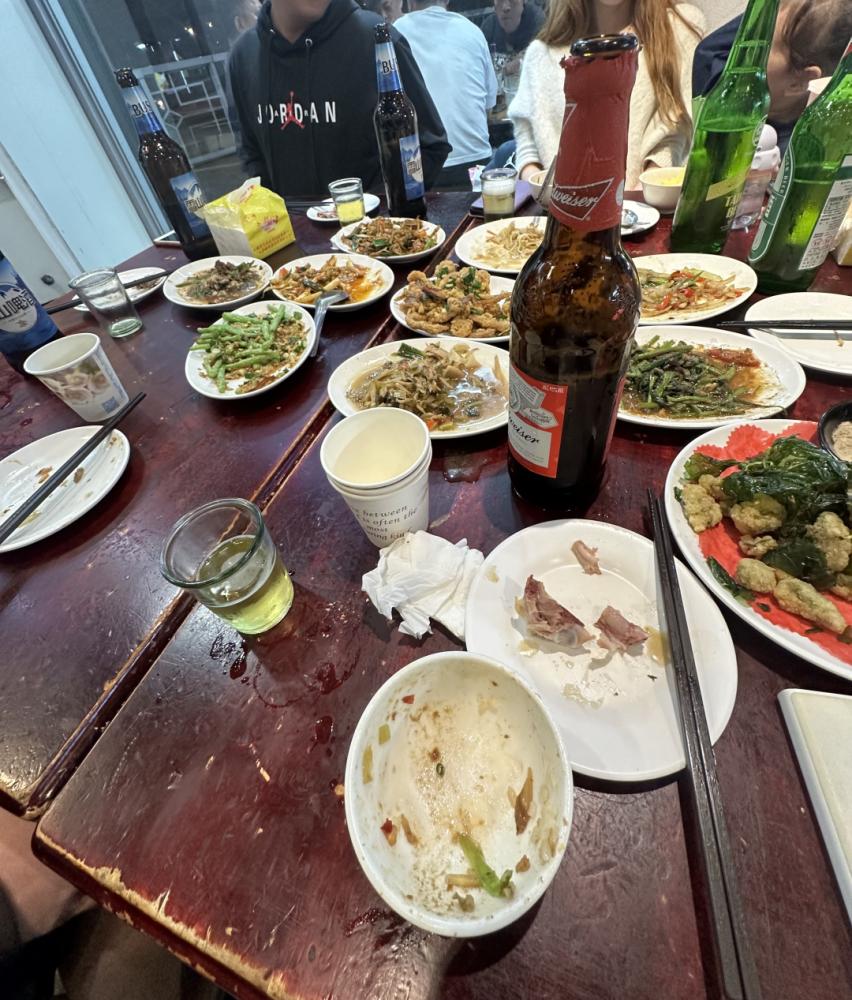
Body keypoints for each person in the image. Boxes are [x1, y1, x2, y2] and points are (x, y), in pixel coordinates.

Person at [228, 0, 450, 198]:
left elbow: (429, 145)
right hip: (287, 228)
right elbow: (251, 153)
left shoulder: (375, 38)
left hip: (374, 226)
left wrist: (380, 208)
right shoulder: (244, 56)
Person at [509, 0, 705, 190]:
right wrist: (539, 185)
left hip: (651, 206)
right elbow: (528, 148)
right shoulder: (540, 54)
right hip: (557, 209)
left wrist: (640, 195)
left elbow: (678, 131)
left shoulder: (677, 29)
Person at [693, 0, 852, 153]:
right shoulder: (716, 68)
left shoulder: (789, 154)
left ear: (799, 82)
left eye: (763, 42)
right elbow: (708, 51)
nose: (745, 45)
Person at [395, 0, 498, 189]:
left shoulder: (396, 33)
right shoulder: (472, 31)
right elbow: (489, 106)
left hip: (421, 167)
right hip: (476, 163)